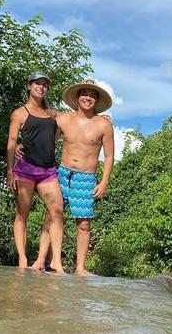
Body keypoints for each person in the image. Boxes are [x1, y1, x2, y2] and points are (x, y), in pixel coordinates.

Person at [30, 78, 114, 275]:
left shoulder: (104, 125)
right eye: (85, 94)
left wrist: (104, 182)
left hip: (86, 178)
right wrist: (19, 146)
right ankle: (41, 260)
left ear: (97, 100)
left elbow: (109, 156)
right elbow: (41, 131)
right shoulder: (63, 119)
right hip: (61, 173)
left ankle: (80, 268)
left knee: (84, 224)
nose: (88, 97)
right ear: (77, 97)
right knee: (50, 216)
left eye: (93, 95)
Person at [6, 72, 65, 273]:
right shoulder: (19, 113)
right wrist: (9, 171)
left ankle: (55, 261)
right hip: (25, 169)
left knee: (57, 210)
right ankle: (22, 259)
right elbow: (11, 143)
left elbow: (76, 119)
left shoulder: (54, 114)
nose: (41, 87)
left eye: (45, 84)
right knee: (22, 214)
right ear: (29, 86)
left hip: (48, 170)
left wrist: (102, 118)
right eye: (37, 83)